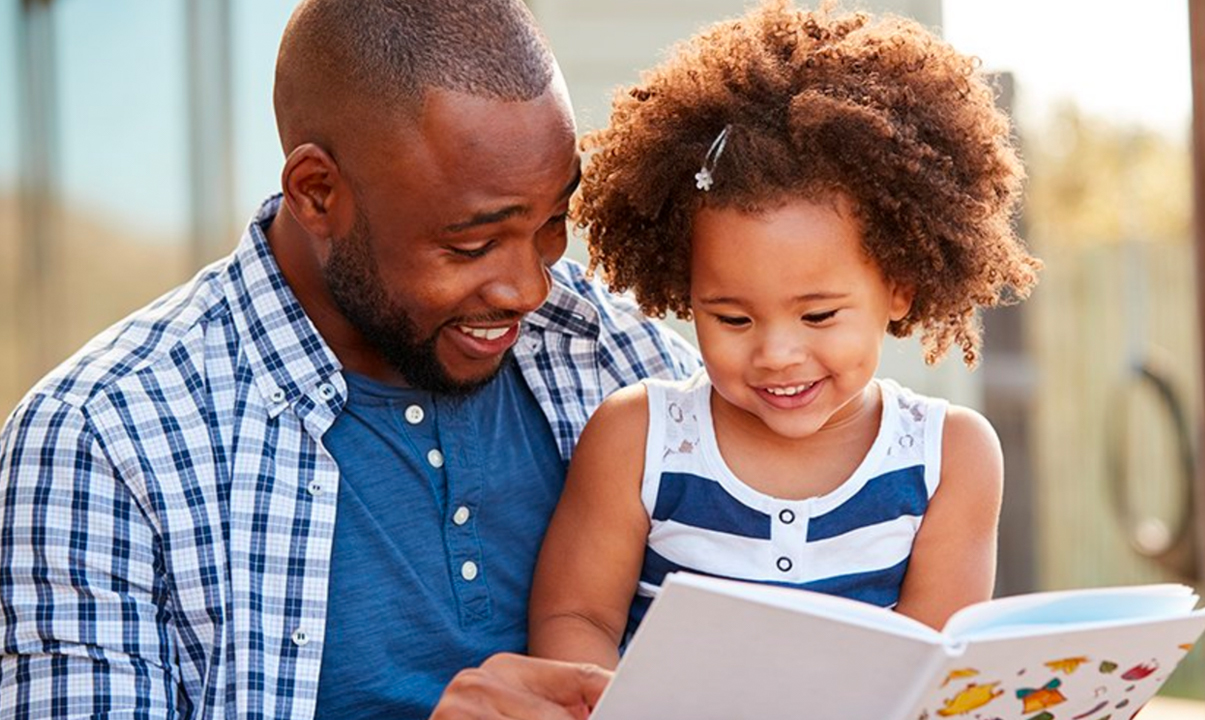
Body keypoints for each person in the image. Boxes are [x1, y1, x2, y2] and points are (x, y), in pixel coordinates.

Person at [0, 1, 697, 718]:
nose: (528, 288)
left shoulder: (620, 359)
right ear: (318, 193)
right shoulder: (103, 441)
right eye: (470, 245)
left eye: (552, 222)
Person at [527, 0, 1042, 670]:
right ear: (687, 292)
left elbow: (928, 669)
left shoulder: (951, 458)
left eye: (818, 316)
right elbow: (578, 617)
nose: (775, 354)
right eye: (732, 318)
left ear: (900, 286)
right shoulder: (638, 441)